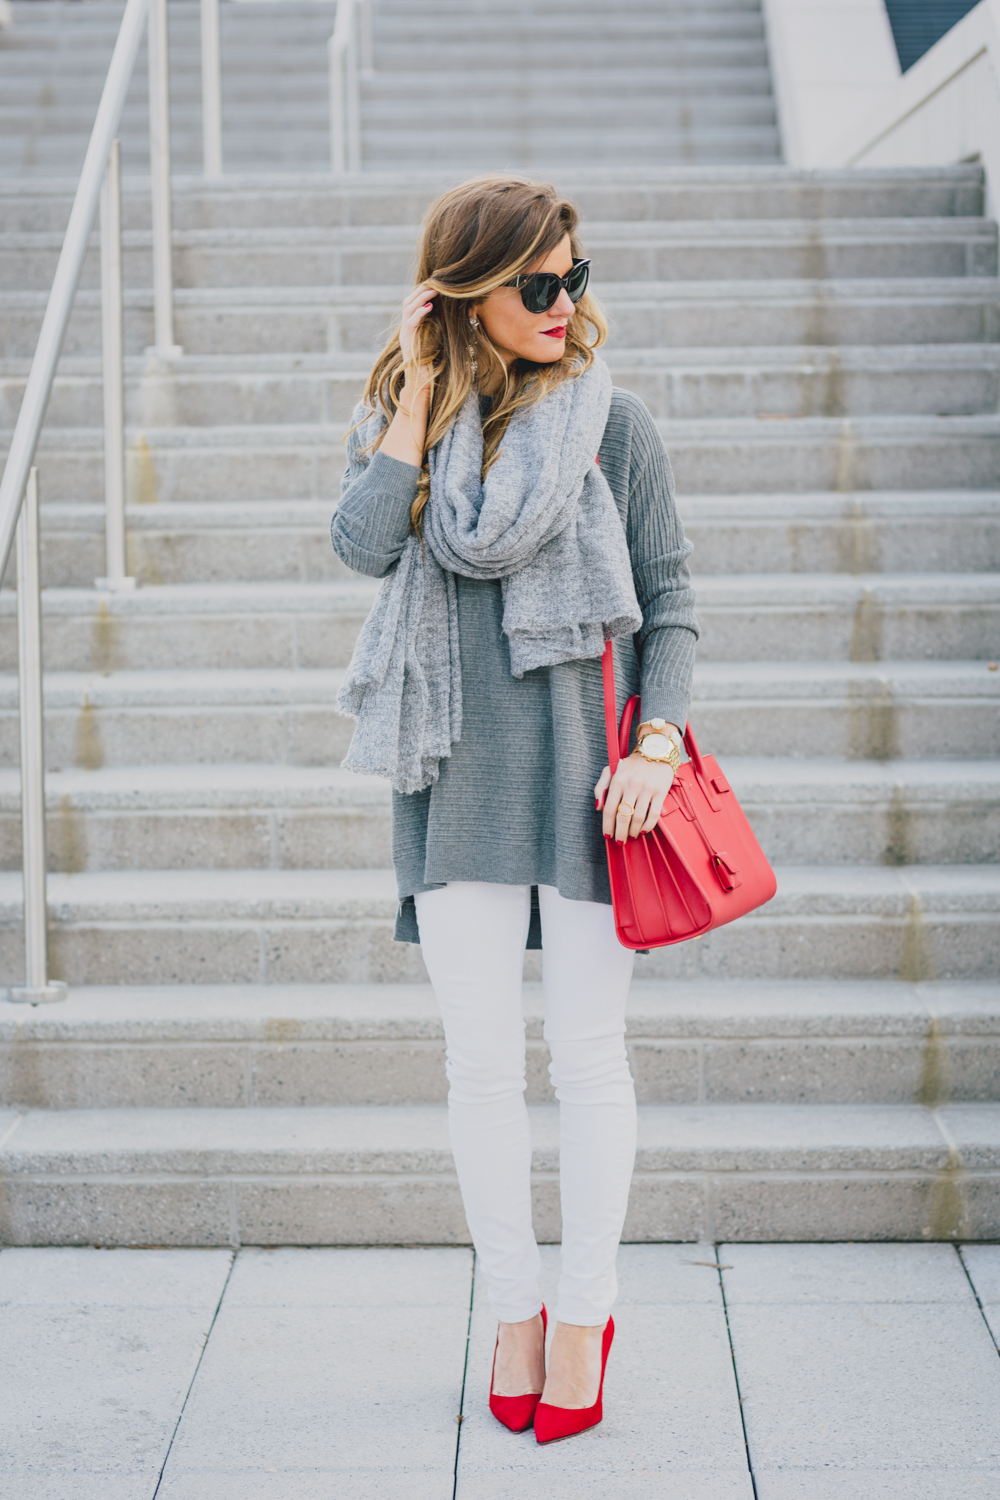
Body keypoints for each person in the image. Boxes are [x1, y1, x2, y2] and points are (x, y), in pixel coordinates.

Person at [332, 175, 698, 1442]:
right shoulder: (408, 420)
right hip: (452, 778)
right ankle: (513, 1306)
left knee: (588, 1059)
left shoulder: (615, 423)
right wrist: (417, 394)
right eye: (534, 284)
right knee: (481, 1067)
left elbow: (672, 599)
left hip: (599, 786)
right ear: (464, 294)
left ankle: (588, 1312)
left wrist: (655, 743)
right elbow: (362, 546)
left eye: (572, 279)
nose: (562, 304)